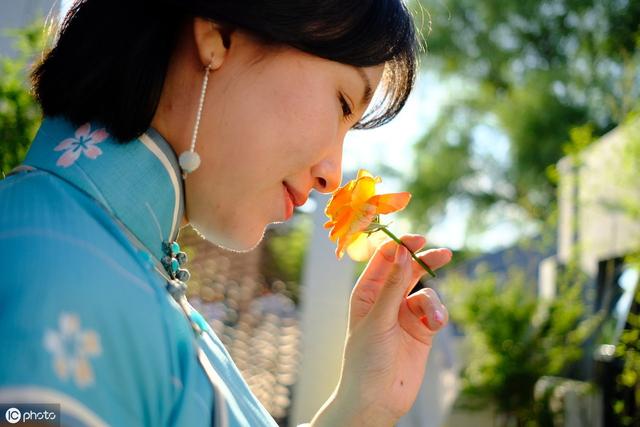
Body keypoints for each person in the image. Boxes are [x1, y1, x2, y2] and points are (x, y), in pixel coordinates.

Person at [0, 0, 453, 425]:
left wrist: (361, 406)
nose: (332, 176)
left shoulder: (97, 258)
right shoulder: (67, 278)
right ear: (219, 34)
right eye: (341, 103)